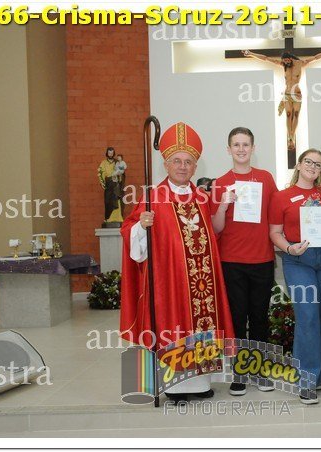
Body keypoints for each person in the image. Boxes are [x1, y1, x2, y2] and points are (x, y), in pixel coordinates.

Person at [119, 121, 235, 404]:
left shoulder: (202, 197)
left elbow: (212, 234)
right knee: (173, 327)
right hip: (168, 282)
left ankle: (201, 383)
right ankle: (174, 386)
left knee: (202, 328)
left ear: (195, 167)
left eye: (188, 162)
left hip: (202, 285)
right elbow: (130, 233)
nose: (183, 167)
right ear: (166, 165)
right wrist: (141, 225)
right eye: (177, 161)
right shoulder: (152, 198)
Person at [268, 149, 321, 405]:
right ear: (299, 165)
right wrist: (289, 248)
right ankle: (307, 380)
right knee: (307, 315)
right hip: (298, 258)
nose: (313, 166)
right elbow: (274, 232)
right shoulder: (281, 196)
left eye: (318, 164)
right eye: (308, 161)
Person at [210, 127, 279, 396]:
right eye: (236, 145)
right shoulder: (220, 182)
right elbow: (216, 228)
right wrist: (223, 204)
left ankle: (259, 370)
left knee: (259, 317)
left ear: (253, 148)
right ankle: (240, 372)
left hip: (262, 258)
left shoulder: (266, 178)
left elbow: (276, 216)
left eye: (245, 144)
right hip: (232, 261)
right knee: (237, 318)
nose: (241, 149)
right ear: (228, 149)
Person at [242, 48, 321, 152]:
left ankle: (292, 136)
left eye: (287, 60)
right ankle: (290, 138)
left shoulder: (299, 63)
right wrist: (250, 53)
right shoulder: (283, 64)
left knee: (296, 114)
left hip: (297, 94)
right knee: (288, 115)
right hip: (287, 94)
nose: (286, 62)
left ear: (291, 58)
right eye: (284, 61)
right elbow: (266, 58)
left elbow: (315, 57)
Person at [97, 146, 123, 225]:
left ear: (113, 153)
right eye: (109, 153)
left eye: (112, 153)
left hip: (115, 184)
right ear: (107, 153)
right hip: (108, 184)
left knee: (116, 200)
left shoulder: (117, 162)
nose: (110, 154)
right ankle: (108, 218)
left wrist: (119, 176)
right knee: (108, 201)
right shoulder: (103, 163)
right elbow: (100, 173)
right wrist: (103, 183)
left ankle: (118, 218)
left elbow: (121, 172)